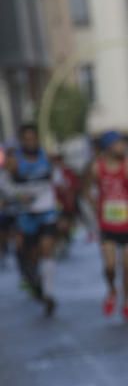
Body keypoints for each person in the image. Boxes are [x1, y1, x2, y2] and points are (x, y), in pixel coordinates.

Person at [4, 124, 58, 316]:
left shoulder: (46, 157)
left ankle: (49, 294)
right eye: (27, 139)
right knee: (32, 255)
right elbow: (5, 183)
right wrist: (18, 195)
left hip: (47, 211)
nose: (31, 142)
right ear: (22, 141)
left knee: (47, 249)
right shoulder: (14, 161)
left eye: (34, 138)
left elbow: (55, 178)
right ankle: (37, 284)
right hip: (26, 215)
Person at [88, 131, 128, 322]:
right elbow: (87, 190)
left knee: (127, 266)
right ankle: (112, 290)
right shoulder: (97, 167)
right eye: (119, 144)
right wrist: (95, 206)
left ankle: (126, 303)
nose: (122, 147)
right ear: (109, 146)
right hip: (107, 223)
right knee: (110, 266)